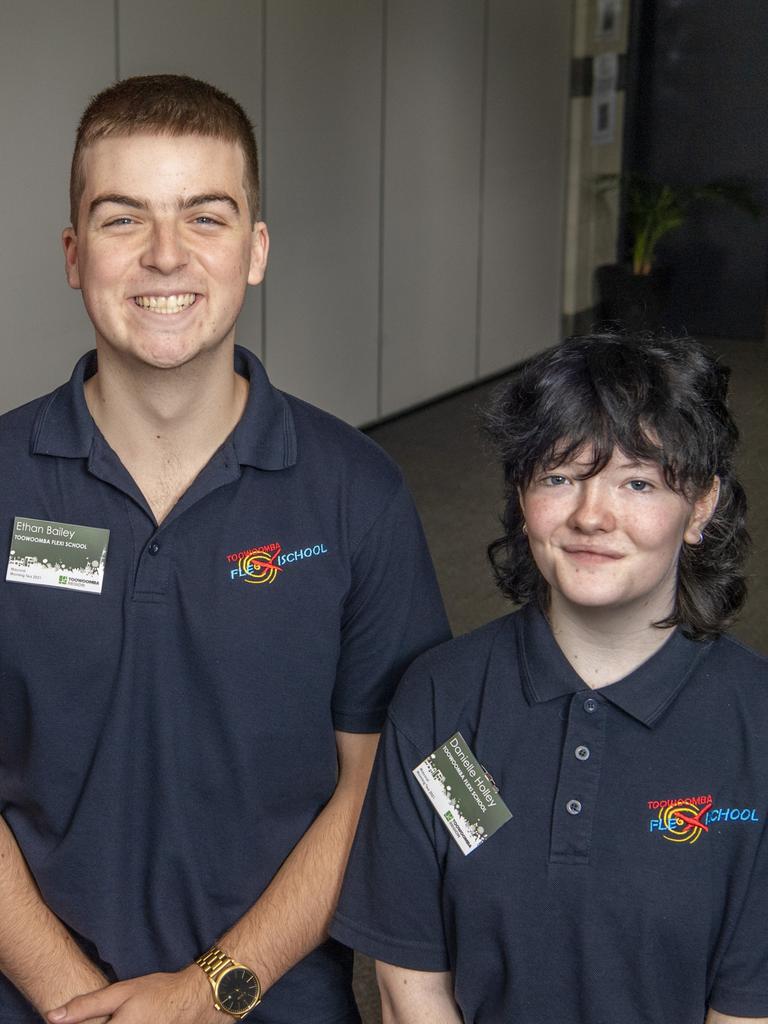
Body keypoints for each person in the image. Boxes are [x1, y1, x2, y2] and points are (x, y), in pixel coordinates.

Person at [0, 74, 450, 1024]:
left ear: (254, 251)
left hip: (270, 1000)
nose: (166, 257)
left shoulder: (357, 493)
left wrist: (213, 992)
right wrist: (74, 1001)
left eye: (205, 218)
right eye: (124, 220)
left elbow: (378, 781)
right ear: (74, 255)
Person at [330, 334, 768, 1024]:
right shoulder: (440, 699)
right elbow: (409, 987)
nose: (592, 515)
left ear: (703, 507)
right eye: (559, 477)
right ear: (521, 492)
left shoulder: (756, 728)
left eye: (638, 482)